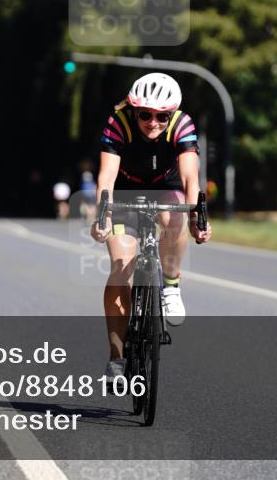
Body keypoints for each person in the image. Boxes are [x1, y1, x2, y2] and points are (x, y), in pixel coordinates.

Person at [90, 72, 212, 380]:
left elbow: (190, 177)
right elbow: (106, 177)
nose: (153, 122)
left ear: (172, 114)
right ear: (134, 110)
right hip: (125, 192)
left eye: (162, 116)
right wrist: (102, 215)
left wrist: (198, 216)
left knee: (176, 218)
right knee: (121, 267)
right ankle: (116, 358)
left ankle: (170, 284)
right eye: (145, 114)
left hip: (165, 187)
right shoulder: (119, 122)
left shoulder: (182, 123)